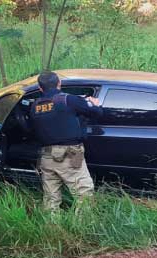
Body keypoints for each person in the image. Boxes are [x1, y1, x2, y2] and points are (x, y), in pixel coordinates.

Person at [28, 71, 102, 211]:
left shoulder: (35, 106)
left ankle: (51, 227)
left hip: (46, 156)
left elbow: (33, 128)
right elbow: (97, 113)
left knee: (51, 197)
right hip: (71, 154)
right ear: (59, 84)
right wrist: (95, 104)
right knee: (84, 192)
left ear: (40, 88)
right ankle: (83, 227)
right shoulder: (68, 100)